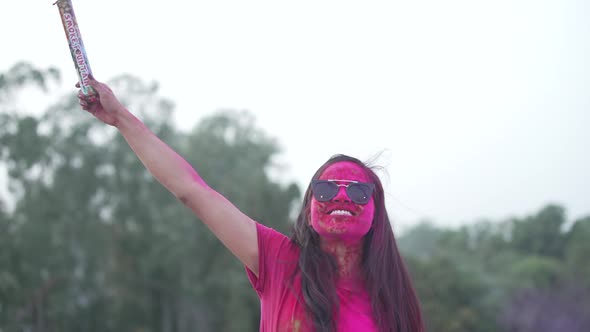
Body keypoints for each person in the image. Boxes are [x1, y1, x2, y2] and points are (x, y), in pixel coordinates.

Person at [77, 77, 425, 332]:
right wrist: (122, 118)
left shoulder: (392, 302)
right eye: (326, 188)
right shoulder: (278, 260)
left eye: (359, 192)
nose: (341, 198)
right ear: (307, 209)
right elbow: (192, 190)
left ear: (377, 214)